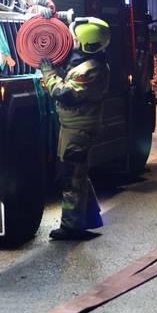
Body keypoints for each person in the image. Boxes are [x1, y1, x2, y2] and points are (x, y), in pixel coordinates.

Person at [39, 17, 111, 241]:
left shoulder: (91, 71)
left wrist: (48, 73)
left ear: (85, 43)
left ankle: (71, 227)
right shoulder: (89, 63)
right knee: (77, 174)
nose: (73, 42)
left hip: (78, 131)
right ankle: (87, 219)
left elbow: (64, 94)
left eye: (75, 39)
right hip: (74, 128)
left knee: (71, 177)